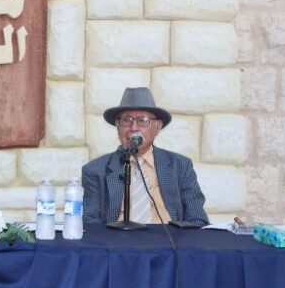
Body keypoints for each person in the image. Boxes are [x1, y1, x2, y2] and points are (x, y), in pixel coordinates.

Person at [82, 87, 209, 226]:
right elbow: (90, 223)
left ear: (157, 126)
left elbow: (197, 218)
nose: (134, 128)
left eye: (142, 120)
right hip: (118, 237)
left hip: (168, 236)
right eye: (126, 120)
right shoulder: (95, 170)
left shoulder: (180, 166)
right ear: (117, 126)